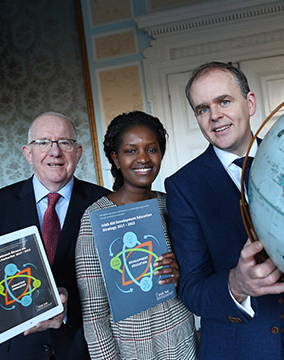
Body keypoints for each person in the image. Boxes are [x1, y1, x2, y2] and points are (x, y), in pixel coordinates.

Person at [164, 62, 284, 359]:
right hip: (240, 348)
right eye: (202, 109)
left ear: (249, 103)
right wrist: (236, 284)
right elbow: (192, 290)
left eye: (224, 101)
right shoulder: (184, 187)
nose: (215, 116)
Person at [0, 112, 111, 360]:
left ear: (78, 152)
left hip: (81, 350)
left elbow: (116, 285)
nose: (55, 151)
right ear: (28, 153)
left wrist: (71, 308)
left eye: (64, 142)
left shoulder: (104, 204)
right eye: (43, 142)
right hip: (14, 352)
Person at [75, 111, 198, 360]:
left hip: (183, 342)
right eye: (131, 151)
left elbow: (200, 276)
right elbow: (94, 315)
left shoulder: (172, 205)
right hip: (130, 350)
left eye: (151, 149)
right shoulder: (95, 218)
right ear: (116, 159)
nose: (143, 158)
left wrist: (182, 273)